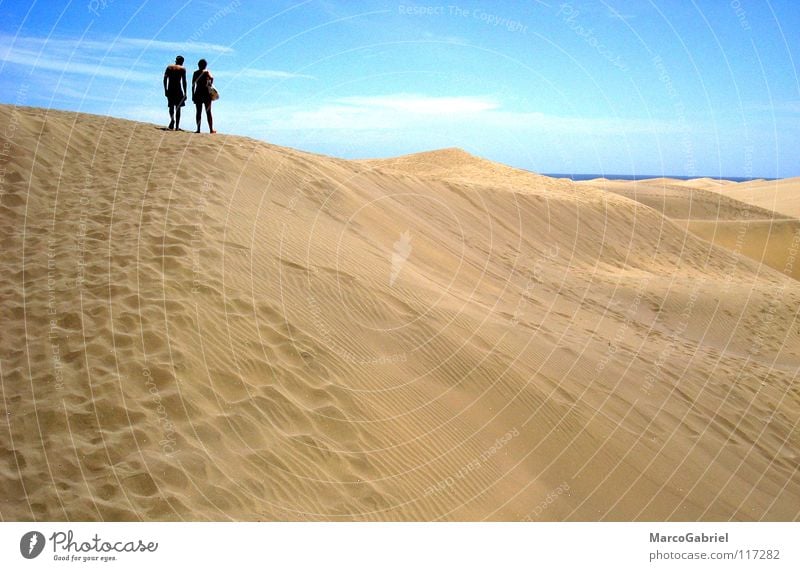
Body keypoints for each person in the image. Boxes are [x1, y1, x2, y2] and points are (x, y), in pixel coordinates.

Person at [192, 59, 215, 133]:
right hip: (206, 93)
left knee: (198, 112)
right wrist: (209, 84)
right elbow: (212, 78)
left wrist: (193, 94)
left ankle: (198, 129)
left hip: (198, 92)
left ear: (198, 65)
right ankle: (211, 129)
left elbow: (193, 85)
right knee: (208, 112)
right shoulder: (206, 72)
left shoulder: (195, 73)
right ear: (205, 65)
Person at [163, 55, 187, 130]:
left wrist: (165, 89)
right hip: (178, 89)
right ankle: (177, 126)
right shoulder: (182, 69)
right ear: (182, 61)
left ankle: (172, 120)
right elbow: (184, 81)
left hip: (170, 89)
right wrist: (185, 92)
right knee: (178, 108)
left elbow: (164, 79)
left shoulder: (169, 67)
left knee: (171, 106)